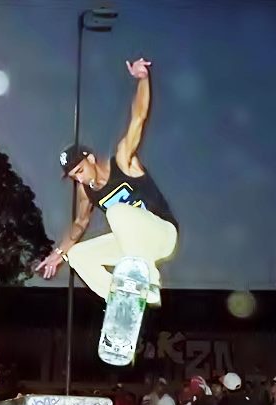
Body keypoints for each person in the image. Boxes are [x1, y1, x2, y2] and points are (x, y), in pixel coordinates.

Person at [36, 58, 178, 308]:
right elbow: (80, 224)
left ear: (90, 158)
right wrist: (58, 255)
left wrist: (143, 79)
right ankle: (121, 300)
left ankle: (149, 282)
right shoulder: (85, 191)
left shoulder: (123, 161)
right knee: (77, 255)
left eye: (80, 171)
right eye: (74, 177)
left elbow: (139, 118)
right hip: (133, 247)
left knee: (118, 212)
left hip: (162, 234)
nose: (80, 179)